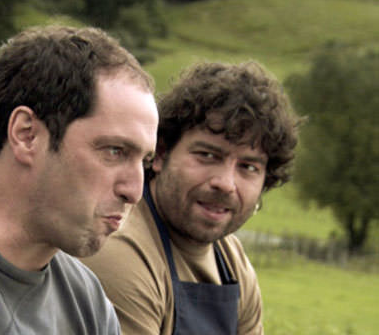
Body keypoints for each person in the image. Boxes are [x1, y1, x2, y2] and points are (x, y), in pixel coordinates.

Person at [0, 25, 159, 334]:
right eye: (115, 151)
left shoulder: (87, 304)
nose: (134, 190)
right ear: (27, 135)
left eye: (144, 161)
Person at [81, 61, 302, 335]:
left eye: (248, 167)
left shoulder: (232, 262)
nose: (225, 184)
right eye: (208, 155)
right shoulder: (120, 249)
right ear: (161, 153)